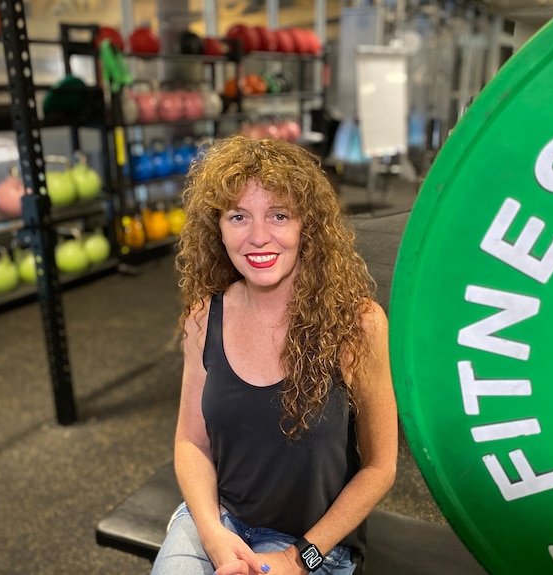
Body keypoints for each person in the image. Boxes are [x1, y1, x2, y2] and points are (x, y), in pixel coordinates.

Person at [151, 135, 398, 575]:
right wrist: (213, 534)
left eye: (279, 215)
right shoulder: (204, 317)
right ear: (218, 227)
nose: (258, 237)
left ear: (308, 225)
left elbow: (380, 467)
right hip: (218, 519)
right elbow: (191, 442)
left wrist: (296, 559)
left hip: (314, 544)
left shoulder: (357, 325)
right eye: (239, 217)